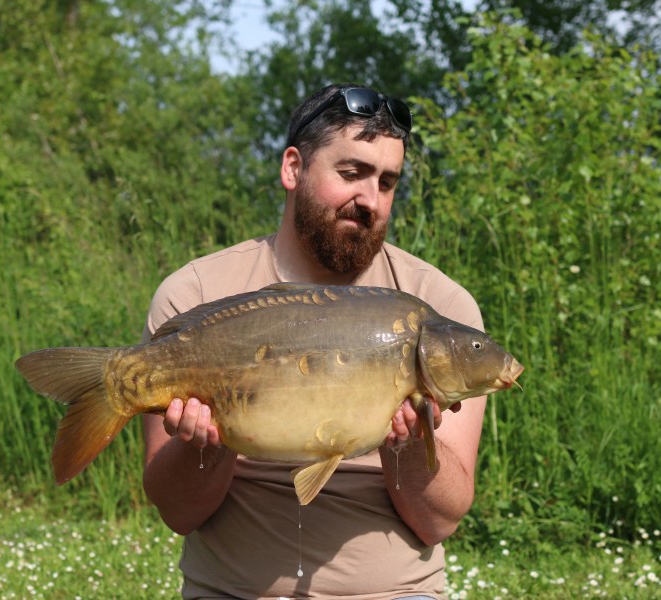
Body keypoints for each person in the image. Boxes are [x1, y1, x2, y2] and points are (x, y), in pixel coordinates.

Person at [141, 83, 487, 599]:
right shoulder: (195, 295)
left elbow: (440, 522)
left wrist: (409, 446)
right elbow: (178, 512)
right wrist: (209, 445)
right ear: (293, 169)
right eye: (351, 174)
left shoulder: (440, 313)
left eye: (387, 182)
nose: (370, 199)